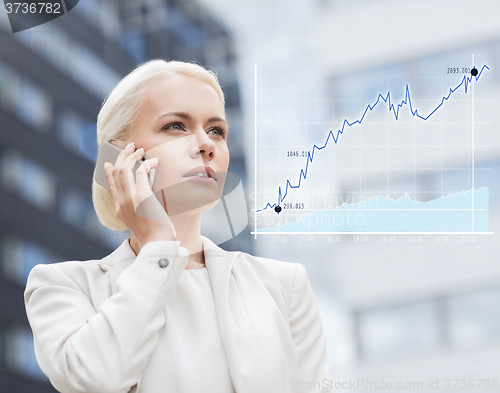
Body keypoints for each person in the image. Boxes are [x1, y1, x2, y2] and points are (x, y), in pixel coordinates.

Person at [24, 59, 331, 393]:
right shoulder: (63, 287)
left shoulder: (283, 286)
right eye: (175, 126)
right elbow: (95, 378)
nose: (207, 144)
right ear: (116, 158)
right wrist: (158, 246)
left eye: (217, 130)